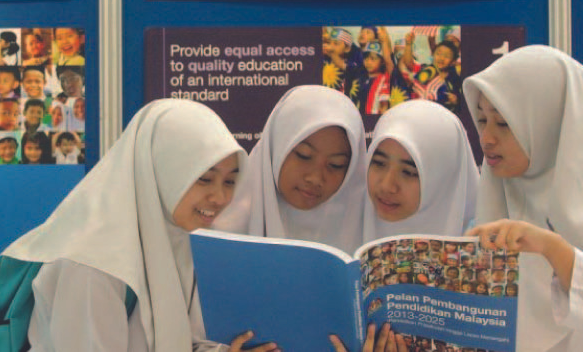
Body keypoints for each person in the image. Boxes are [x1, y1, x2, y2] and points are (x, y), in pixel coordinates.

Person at [0, 99, 279, 352]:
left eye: (230, 181)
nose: (219, 197)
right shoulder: (94, 263)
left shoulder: (179, 237)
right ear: (160, 169)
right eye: (203, 178)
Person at [462, 45, 583, 352]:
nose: (486, 138)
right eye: (481, 120)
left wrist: (553, 248)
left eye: (503, 123)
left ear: (550, 123)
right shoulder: (492, 207)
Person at [213, 85, 366, 254]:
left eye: (336, 165)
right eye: (303, 155)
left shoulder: (364, 234)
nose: (316, 178)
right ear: (276, 147)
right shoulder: (221, 226)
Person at [362, 99, 478, 243]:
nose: (387, 186)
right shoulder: (347, 231)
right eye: (379, 163)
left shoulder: (486, 248)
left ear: (443, 179)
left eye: (409, 172)